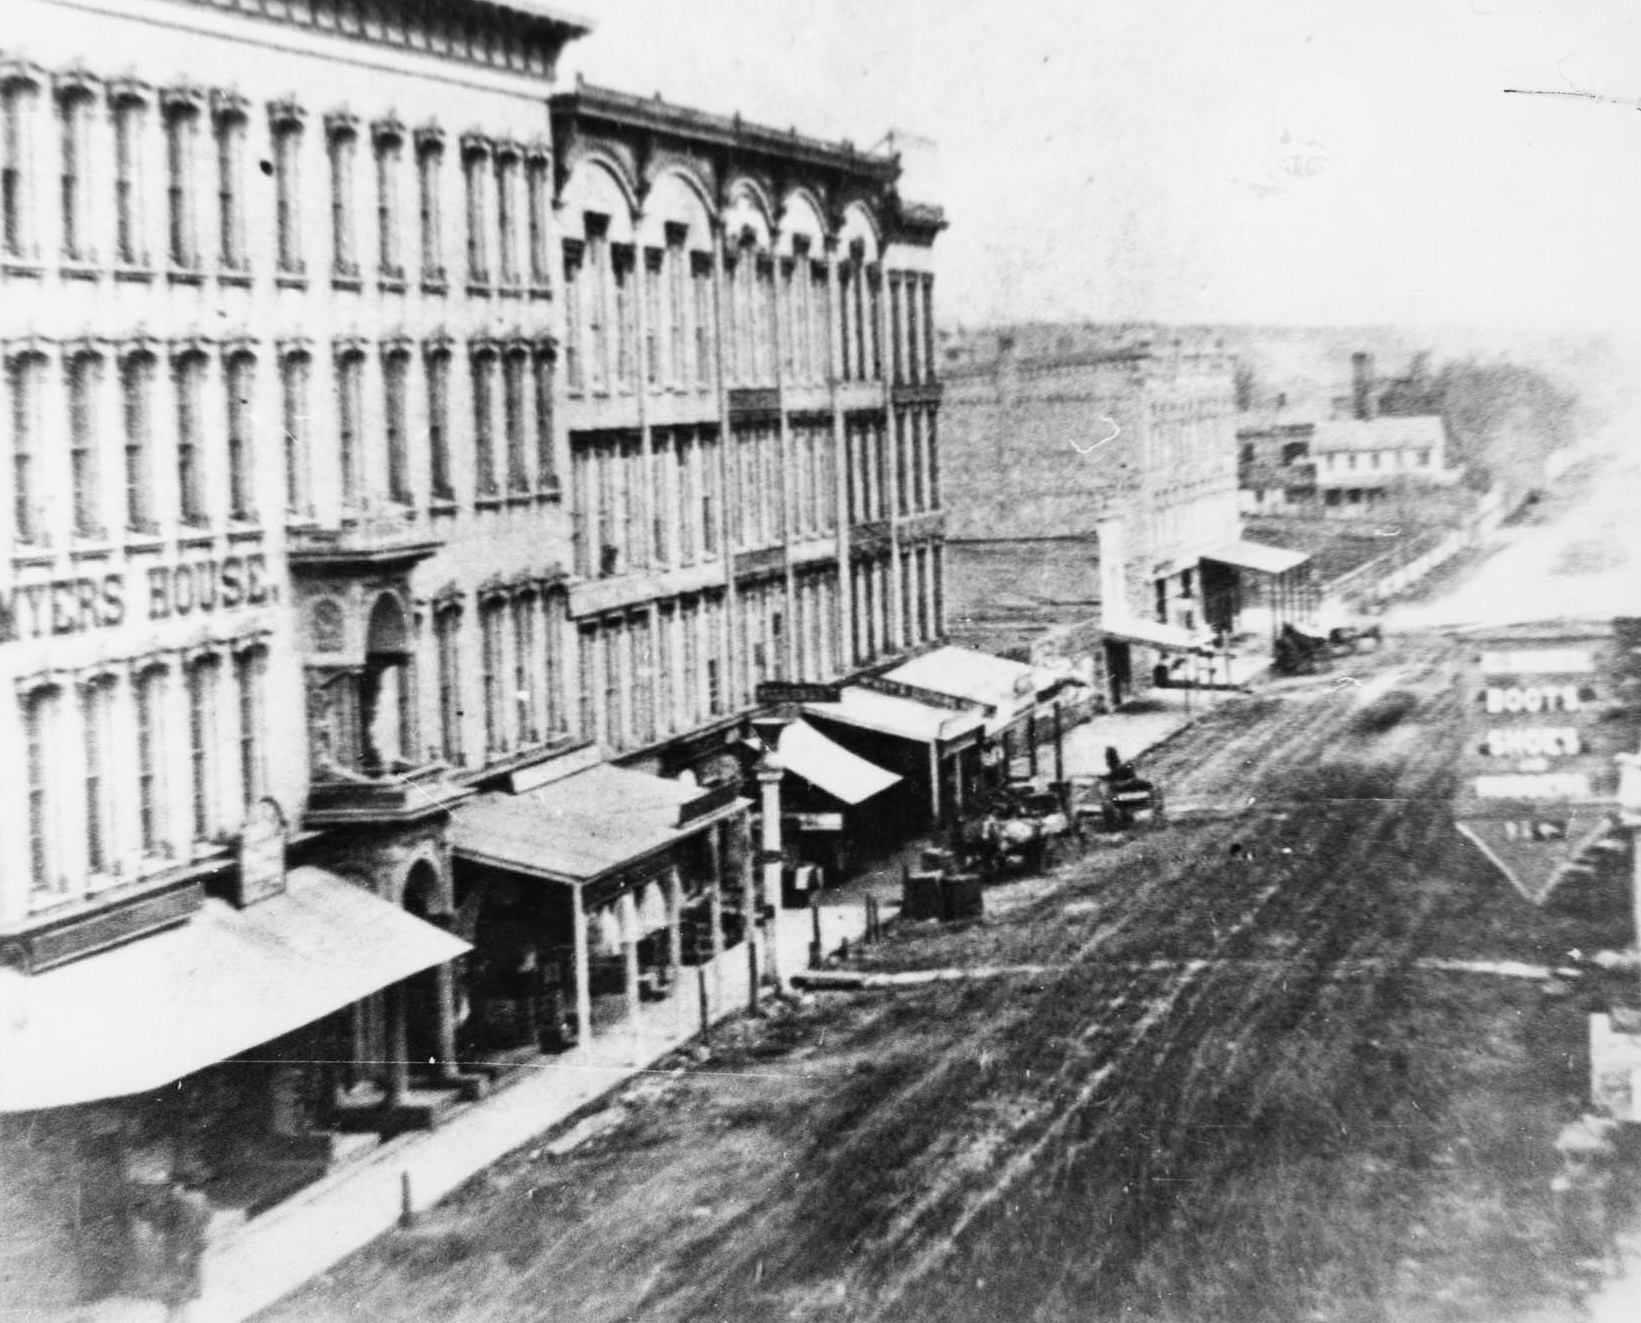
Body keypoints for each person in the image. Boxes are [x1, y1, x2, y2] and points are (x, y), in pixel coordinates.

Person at [154, 1176, 212, 1322]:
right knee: (182, 1292)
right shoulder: (197, 1200)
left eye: (174, 1187)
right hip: (187, 1250)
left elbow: (161, 1224)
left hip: (179, 1251)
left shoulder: (177, 1204)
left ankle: (176, 1319)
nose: (173, 1190)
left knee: (177, 1293)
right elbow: (206, 1219)